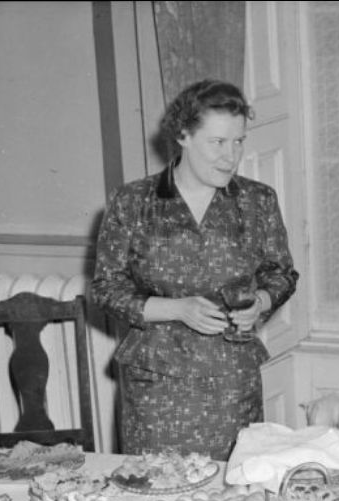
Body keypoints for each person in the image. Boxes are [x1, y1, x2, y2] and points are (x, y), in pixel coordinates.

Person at [92, 79, 299, 461]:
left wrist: (261, 301)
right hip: (157, 385)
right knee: (156, 486)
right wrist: (178, 309)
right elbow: (107, 288)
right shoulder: (133, 202)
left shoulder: (257, 201)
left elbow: (281, 273)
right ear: (183, 135)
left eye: (238, 141)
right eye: (217, 142)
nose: (230, 157)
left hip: (232, 380)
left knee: (233, 485)